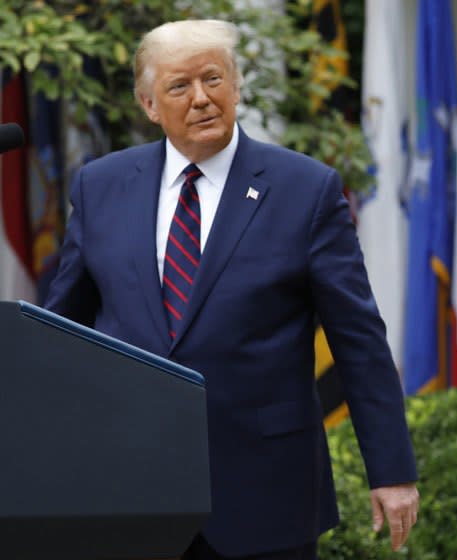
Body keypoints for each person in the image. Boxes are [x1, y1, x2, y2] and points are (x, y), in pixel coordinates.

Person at [45, 19, 419, 560]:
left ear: (237, 87)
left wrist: (391, 472)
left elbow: (358, 339)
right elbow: (62, 333)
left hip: (265, 497)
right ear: (150, 105)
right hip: (129, 489)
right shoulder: (101, 186)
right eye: (180, 86)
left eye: (214, 79)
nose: (201, 99)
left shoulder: (304, 190)